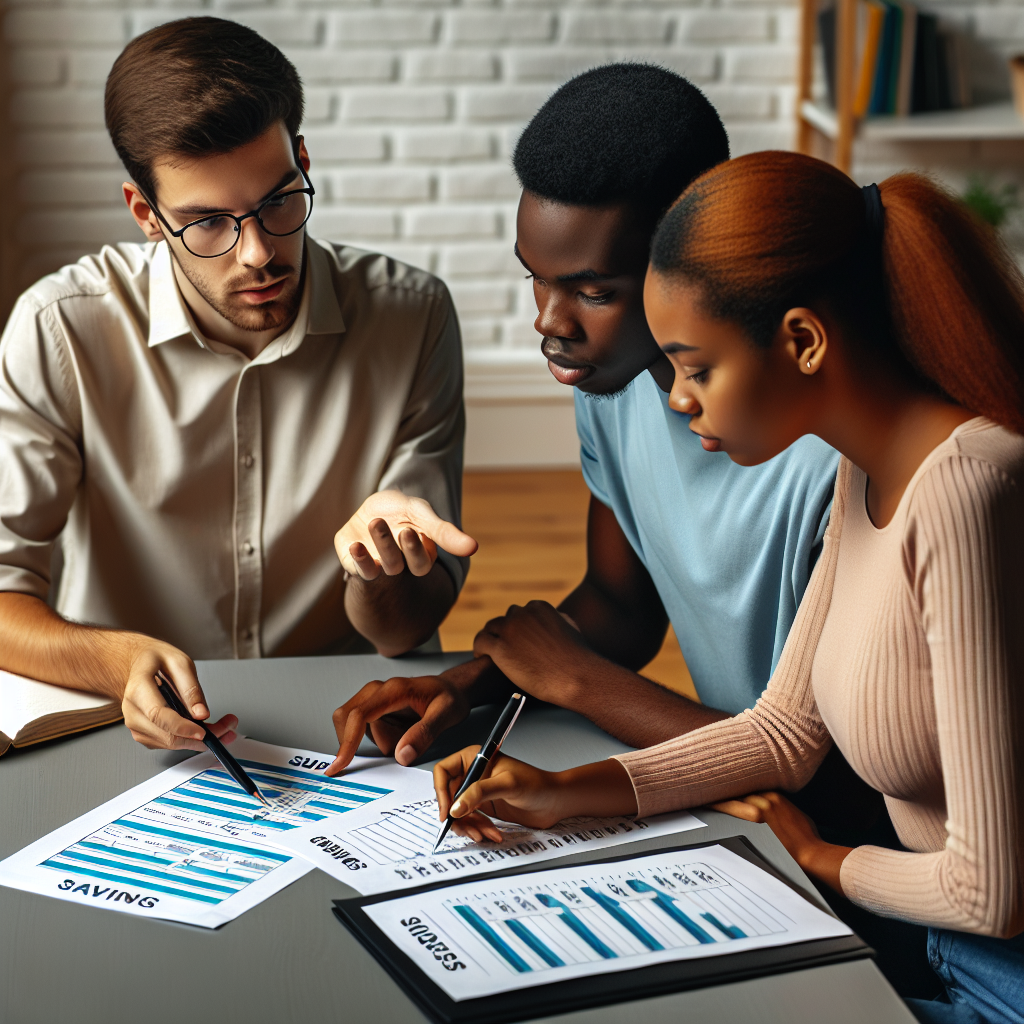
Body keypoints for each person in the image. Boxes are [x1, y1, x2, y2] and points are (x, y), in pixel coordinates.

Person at [432, 152, 1024, 1023]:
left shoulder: (970, 494)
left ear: (803, 341)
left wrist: (820, 859)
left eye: (695, 367)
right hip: (945, 951)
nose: (675, 400)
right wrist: (566, 793)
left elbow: (990, 891)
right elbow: (783, 733)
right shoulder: (863, 478)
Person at [328, 64, 839, 769]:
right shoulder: (614, 381)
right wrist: (472, 683)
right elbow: (621, 608)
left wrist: (576, 681)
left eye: (593, 291)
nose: (548, 320)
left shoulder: (827, 455)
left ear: (694, 257)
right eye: (534, 276)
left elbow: (823, 769)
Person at [0, 18, 476, 755]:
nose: (258, 252)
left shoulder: (413, 317)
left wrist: (378, 566)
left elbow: (404, 630)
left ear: (304, 158)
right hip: (124, 724)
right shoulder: (59, 328)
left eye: (279, 200)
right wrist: (118, 659)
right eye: (207, 223)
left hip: (350, 727)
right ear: (145, 214)